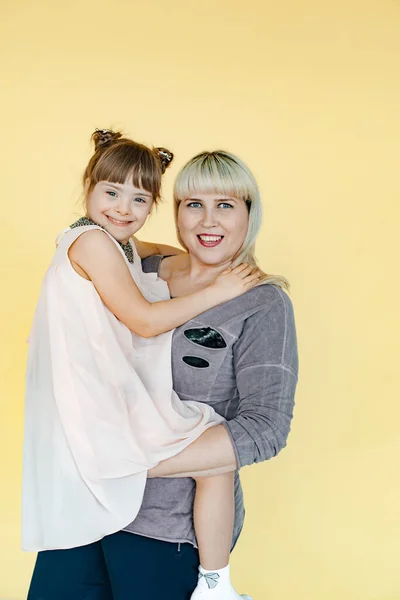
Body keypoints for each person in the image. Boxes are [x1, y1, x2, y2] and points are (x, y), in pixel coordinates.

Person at [24, 130, 262, 600]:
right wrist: (220, 289)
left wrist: (195, 264)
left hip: (106, 396)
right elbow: (146, 321)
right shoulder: (92, 242)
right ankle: (216, 585)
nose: (123, 209)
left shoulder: (123, 244)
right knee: (213, 445)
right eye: (111, 193)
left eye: (140, 199)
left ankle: (216, 583)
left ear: (152, 205)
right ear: (89, 186)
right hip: (92, 406)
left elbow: (165, 253)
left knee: (213, 453)